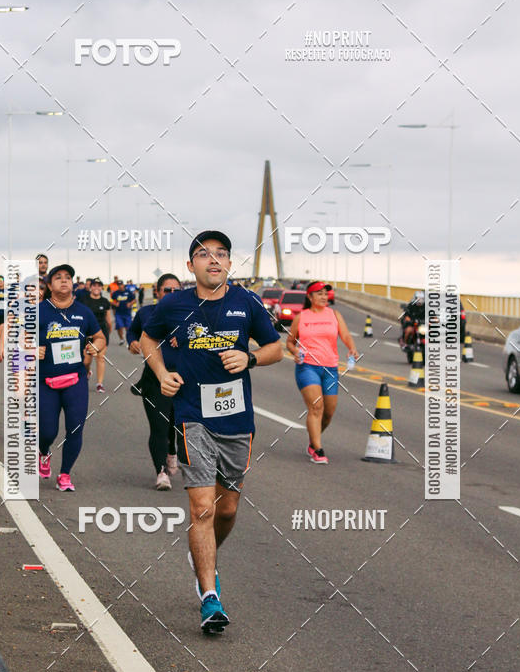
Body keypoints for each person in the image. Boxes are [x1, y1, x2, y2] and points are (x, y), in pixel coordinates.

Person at [141, 231, 283, 633]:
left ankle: (205, 555)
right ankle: (209, 596)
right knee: (201, 508)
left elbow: (277, 348)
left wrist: (250, 356)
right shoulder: (174, 304)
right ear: (191, 267)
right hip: (192, 416)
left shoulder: (246, 303)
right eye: (204, 255)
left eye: (221, 254)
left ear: (229, 264)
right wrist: (162, 373)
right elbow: (147, 338)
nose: (214, 260)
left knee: (227, 509)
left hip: (237, 420)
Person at [38, 264, 105, 491]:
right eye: (58, 278)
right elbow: (18, 341)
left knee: (75, 428)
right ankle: (44, 452)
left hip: (75, 380)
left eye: (68, 277)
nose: (64, 281)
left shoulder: (83, 312)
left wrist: (95, 347)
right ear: (49, 285)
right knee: (47, 431)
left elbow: (99, 337)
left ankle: (65, 474)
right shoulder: (38, 311)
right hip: (45, 382)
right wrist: (30, 349)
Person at [286, 281, 358, 465]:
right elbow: (290, 342)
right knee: (316, 407)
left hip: (330, 368)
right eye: (319, 294)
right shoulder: (301, 317)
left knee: (328, 413)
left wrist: (351, 348)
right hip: (307, 367)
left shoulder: (334, 314)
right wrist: (295, 353)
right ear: (309, 297)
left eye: (326, 294)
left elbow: (346, 335)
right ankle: (317, 449)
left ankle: (313, 439)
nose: (324, 297)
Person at [127, 273, 181, 491]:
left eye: (177, 290)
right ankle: (161, 472)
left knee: (176, 426)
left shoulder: (190, 314)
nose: (171, 294)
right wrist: (132, 341)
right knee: (159, 426)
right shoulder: (146, 313)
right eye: (167, 290)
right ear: (157, 292)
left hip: (184, 379)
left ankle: (172, 451)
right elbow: (133, 331)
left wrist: (186, 337)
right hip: (154, 380)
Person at [83, 278, 112, 392]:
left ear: (101, 288)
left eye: (99, 286)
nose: (96, 288)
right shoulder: (84, 300)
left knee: (100, 358)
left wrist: (107, 334)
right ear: (90, 287)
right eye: (94, 285)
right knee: (86, 361)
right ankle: (87, 372)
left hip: (101, 333)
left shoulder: (105, 301)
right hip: (87, 334)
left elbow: (108, 320)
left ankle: (99, 384)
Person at [111, 280, 135, 345]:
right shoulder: (116, 293)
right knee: (119, 326)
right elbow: (111, 300)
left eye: (120, 285)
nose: (119, 286)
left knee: (128, 327)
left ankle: (129, 339)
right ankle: (121, 339)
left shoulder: (128, 292)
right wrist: (115, 304)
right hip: (118, 313)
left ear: (123, 285)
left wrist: (130, 303)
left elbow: (134, 300)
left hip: (127, 313)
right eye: (118, 285)